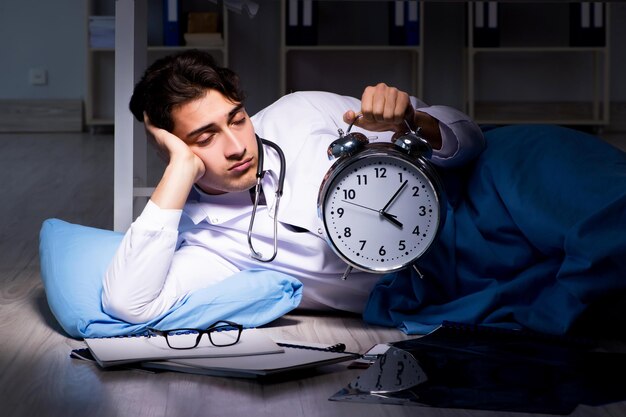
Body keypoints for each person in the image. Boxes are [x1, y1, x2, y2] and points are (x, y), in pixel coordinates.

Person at [102, 49, 485, 324]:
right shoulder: (209, 246)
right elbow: (127, 302)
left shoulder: (300, 111)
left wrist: (409, 122)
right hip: (449, 286)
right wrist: (179, 168)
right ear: (170, 147)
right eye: (204, 138)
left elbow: (470, 137)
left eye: (236, 119)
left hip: (475, 207)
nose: (237, 148)